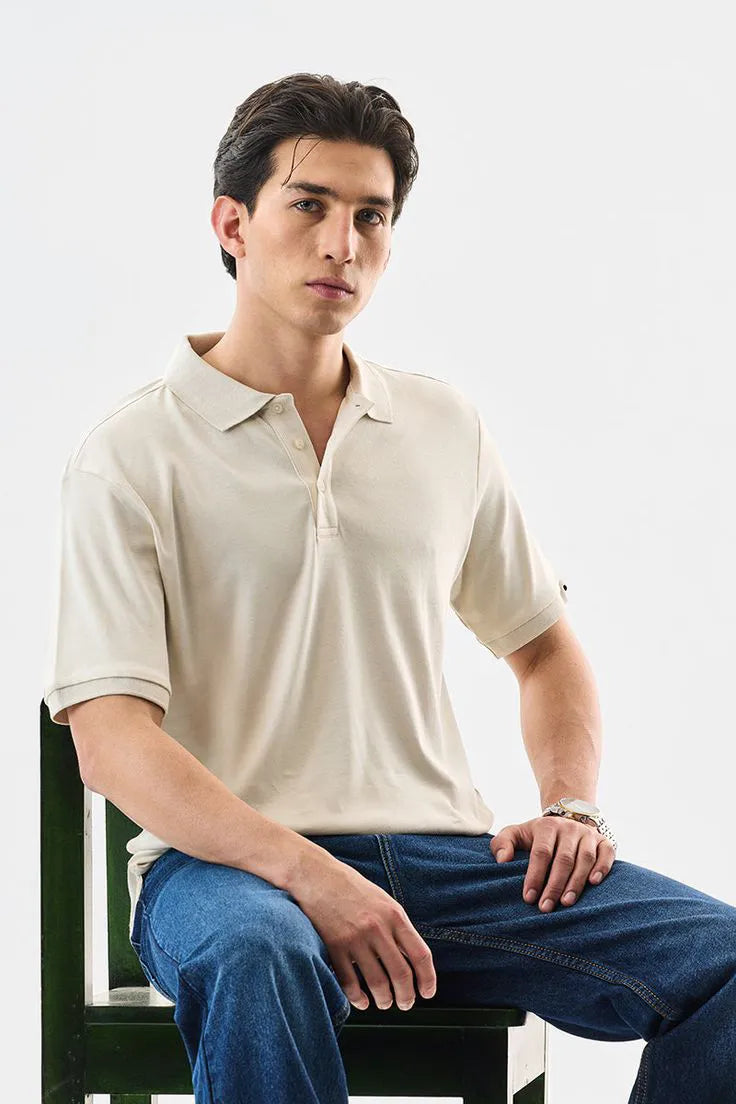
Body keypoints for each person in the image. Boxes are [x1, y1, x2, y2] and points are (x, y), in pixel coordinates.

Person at [43, 72, 736, 1104]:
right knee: (260, 954)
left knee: (722, 960)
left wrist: (571, 807)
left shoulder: (439, 428)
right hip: (219, 876)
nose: (342, 244)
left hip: (442, 863)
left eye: (371, 215)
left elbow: (542, 648)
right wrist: (308, 873)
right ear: (232, 223)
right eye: (309, 205)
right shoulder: (134, 451)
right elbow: (110, 735)